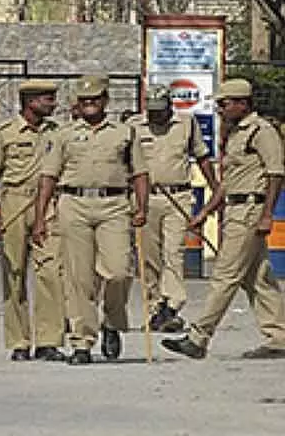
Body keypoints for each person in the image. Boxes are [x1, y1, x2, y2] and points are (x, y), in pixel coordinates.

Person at [162, 78, 285, 359]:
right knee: (258, 278)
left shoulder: (261, 131)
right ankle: (278, 336)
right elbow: (227, 183)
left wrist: (267, 214)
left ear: (242, 103)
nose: (220, 109)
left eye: (225, 103)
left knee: (225, 275)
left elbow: (276, 173)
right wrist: (205, 213)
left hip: (251, 209)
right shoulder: (234, 133)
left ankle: (198, 336)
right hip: (235, 207)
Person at [33, 75, 149, 365]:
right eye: (84, 101)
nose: (89, 105)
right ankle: (82, 341)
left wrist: (142, 206)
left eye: (95, 100)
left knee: (119, 270)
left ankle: (111, 321)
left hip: (114, 204)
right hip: (74, 203)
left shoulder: (125, 132)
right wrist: (40, 218)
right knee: (79, 277)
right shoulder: (65, 135)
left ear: (105, 101)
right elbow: (49, 176)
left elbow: (140, 173)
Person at [0, 80, 67, 362]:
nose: (53, 104)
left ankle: (48, 340)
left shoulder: (59, 132)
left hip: (49, 203)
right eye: (47, 99)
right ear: (30, 101)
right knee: (14, 272)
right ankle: (19, 340)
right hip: (15, 202)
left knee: (50, 272)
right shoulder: (4, 133)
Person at [127, 85, 217, 333]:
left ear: (170, 107)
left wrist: (215, 188)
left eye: (161, 111)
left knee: (174, 252)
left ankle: (173, 303)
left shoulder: (186, 124)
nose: (156, 116)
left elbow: (201, 156)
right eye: (152, 111)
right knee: (148, 256)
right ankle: (155, 307)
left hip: (178, 195)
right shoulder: (135, 126)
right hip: (145, 198)